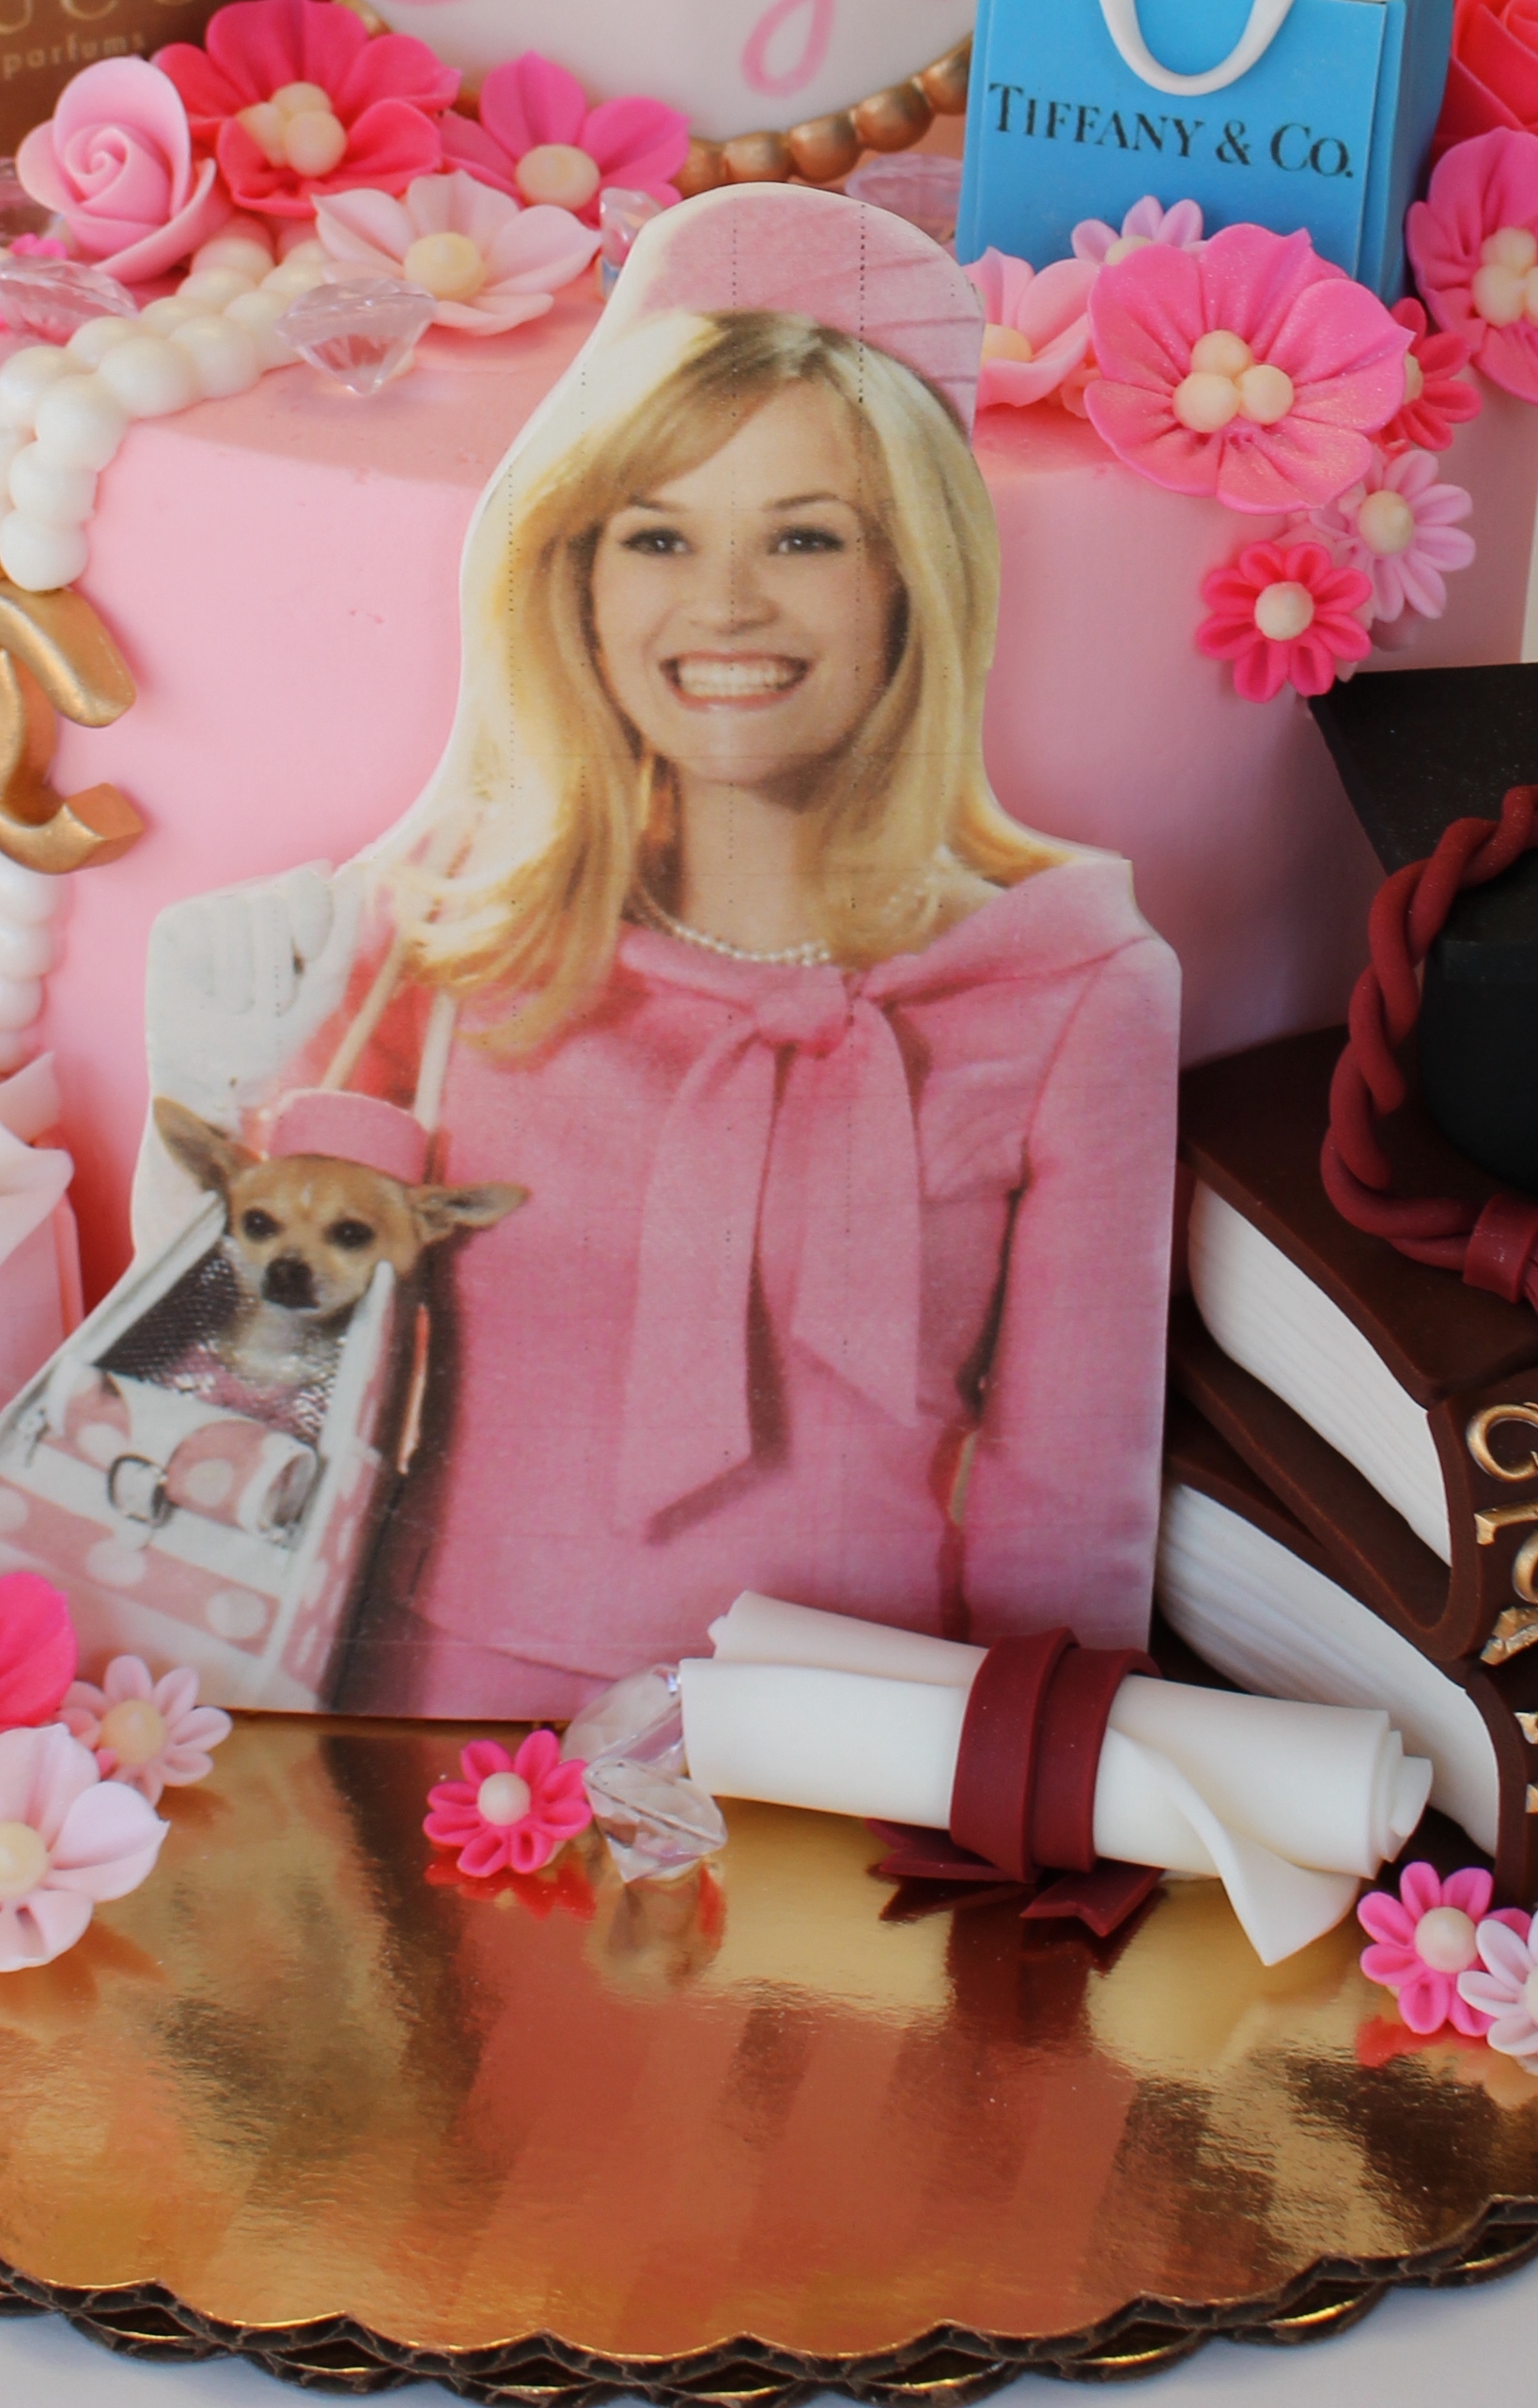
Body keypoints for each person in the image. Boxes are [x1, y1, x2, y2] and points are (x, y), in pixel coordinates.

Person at [140, 190, 1179, 1717]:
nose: (726, 604)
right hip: (446, 1699)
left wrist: (1042, 1788)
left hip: (861, 1731)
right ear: (580, 580)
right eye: (658, 536)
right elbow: (267, 1330)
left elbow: (1066, 1487)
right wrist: (224, 1089)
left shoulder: (1067, 988)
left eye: (808, 536)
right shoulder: (459, 930)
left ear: (913, 579)